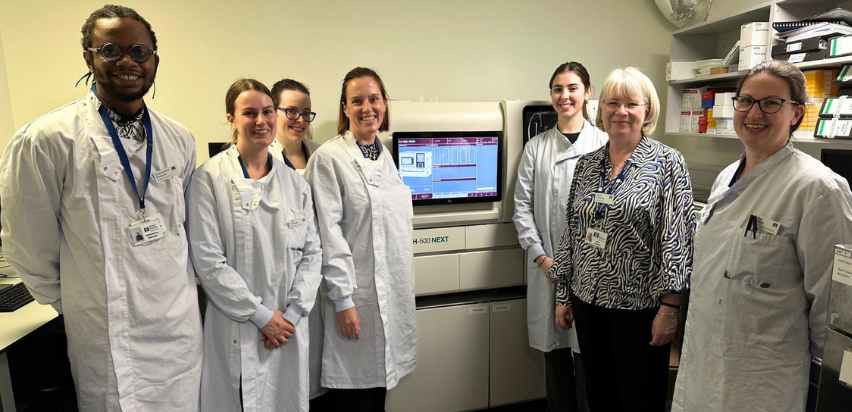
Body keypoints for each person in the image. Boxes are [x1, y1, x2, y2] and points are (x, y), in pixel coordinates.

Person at [0, 5, 202, 411]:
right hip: (109, 337)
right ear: (88, 57)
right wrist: (83, 302)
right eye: (110, 50)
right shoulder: (46, 140)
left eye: (139, 52)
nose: (127, 61)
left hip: (178, 333)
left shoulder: (179, 138)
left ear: (155, 61)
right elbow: (27, 247)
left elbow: (183, 228)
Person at [672, 61, 852, 412]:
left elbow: (833, 307)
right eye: (746, 101)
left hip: (764, 377)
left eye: (770, 103)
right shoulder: (727, 177)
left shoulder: (818, 188)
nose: (754, 113)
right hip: (706, 359)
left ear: (796, 113)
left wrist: (822, 386)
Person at [550, 66, 695, 412]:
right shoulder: (587, 164)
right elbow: (571, 231)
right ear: (601, 110)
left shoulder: (667, 163)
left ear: (647, 111)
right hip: (587, 301)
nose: (621, 112)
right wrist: (562, 295)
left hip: (640, 309)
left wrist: (670, 308)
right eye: (612, 103)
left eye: (631, 103)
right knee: (598, 393)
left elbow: (676, 239)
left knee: (638, 398)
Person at [187, 78, 322, 412]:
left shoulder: (294, 184)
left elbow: (312, 253)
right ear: (231, 118)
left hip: (288, 327)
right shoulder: (209, 180)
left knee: (286, 401)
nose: (260, 121)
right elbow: (208, 261)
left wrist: (290, 315)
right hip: (238, 326)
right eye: (249, 113)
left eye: (266, 112)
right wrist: (263, 317)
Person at [305, 67, 415, 412]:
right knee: (352, 396)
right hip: (355, 300)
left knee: (379, 390)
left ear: (384, 103)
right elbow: (328, 234)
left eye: (374, 98)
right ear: (345, 108)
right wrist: (343, 301)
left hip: (389, 296)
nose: (367, 107)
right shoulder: (329, 159)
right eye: (357, 101)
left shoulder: (385, 154)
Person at [513, 61, 606, 412]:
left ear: (587, 93)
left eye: (572, 88)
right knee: (555, 361)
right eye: (557, 89)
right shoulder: (536, 148)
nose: (564, 96)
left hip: (592, 274)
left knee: (590, 361)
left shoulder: (604, 144)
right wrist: (542, 258)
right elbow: (521, 210)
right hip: (547, 269)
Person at [269, 78, 320, 173]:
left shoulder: (319, 153)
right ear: (272, 112)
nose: (301, 120)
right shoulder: (260, 156)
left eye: (306, 113)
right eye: (292, 111)